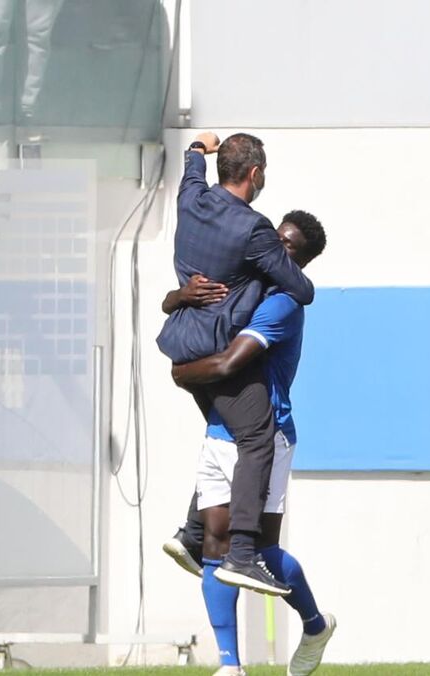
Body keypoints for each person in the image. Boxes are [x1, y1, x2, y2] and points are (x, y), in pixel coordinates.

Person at [166, 212, 334, 676]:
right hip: (221, 430)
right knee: (215, 545)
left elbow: (228, 363)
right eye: (275, 238)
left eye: (287, 246)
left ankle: (315, 625)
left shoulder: (282, 304)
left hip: (266, 435)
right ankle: (230, 666)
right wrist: (181, 297)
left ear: (300, 261)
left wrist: (181, 371)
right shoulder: (247, 285)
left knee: (257, 552)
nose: (275, 248)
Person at [158, 132, 315, 595]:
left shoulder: (190, 200)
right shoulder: (254, 229)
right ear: (255, 173)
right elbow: (301, 289)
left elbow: (191, 168)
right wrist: (263, 268)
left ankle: (192, 534)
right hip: (213, 352)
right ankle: (243, 554)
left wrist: (198, 148)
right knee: (257, 438)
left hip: (181, 345)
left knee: (225, 432)